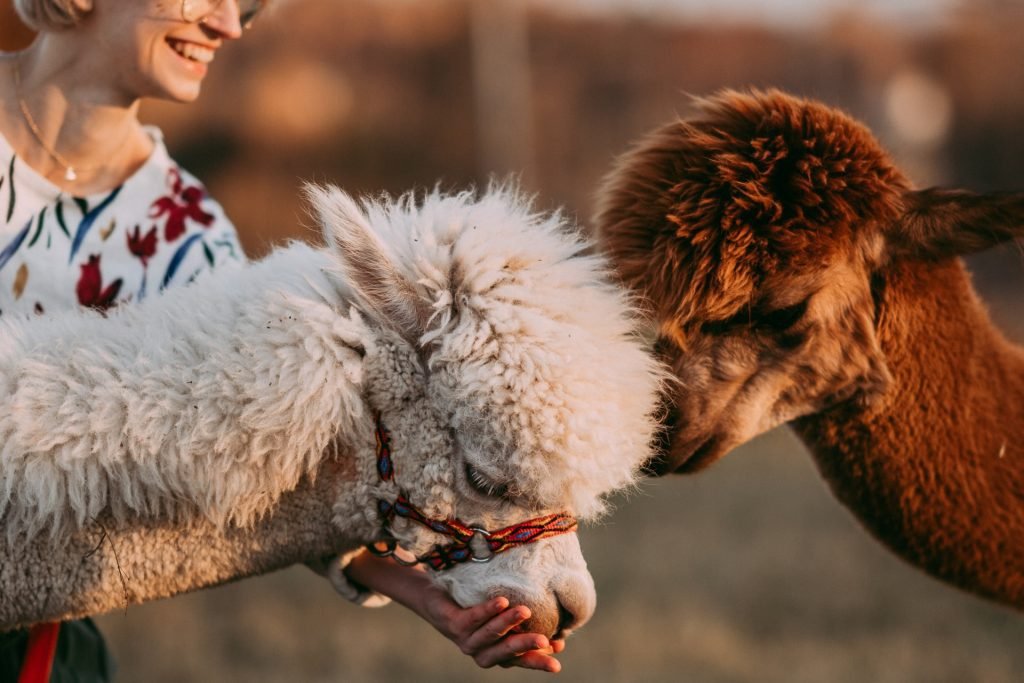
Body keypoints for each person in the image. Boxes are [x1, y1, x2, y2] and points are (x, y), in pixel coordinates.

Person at [0, 0, 564, 678]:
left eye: (245, 6)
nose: (229, 26)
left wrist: (432, 594)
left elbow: (285, 461)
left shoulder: (184, 238)